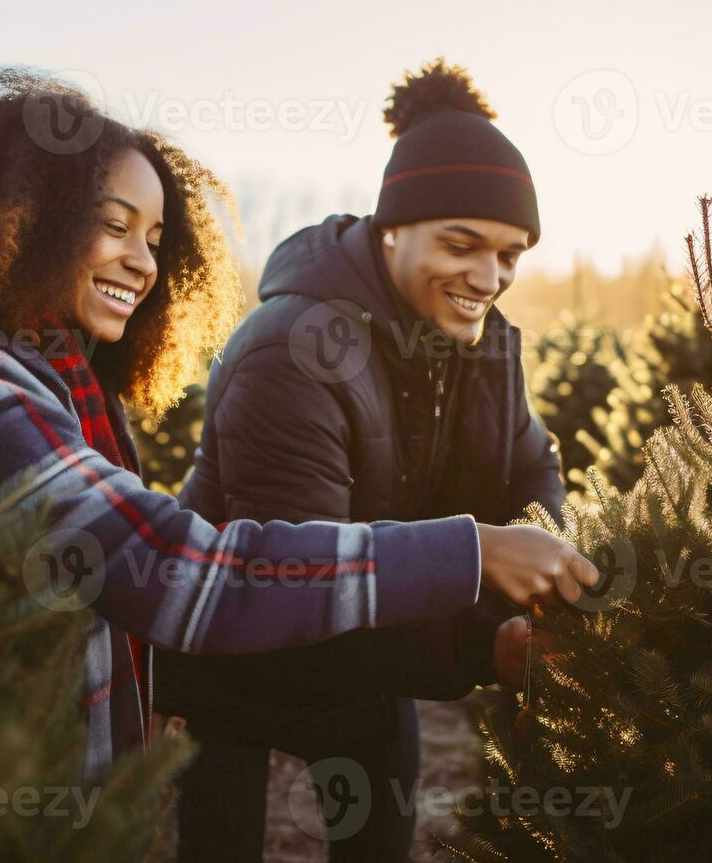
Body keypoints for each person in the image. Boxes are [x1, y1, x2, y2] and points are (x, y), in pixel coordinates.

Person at [0, 67, 597, 784]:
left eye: (156, 239)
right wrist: (468, 554)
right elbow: (175, 574)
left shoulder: (63, 382)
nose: (143, 262)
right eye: (114, 227)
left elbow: (530, 462)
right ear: (18, 222)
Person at [158, 60, 564, 860]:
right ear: (390, 230)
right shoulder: (291, 350)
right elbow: (303, 578)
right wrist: (487, 644)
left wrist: (551, 584)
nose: (489, 278)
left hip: (373, 661)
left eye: (510, 253)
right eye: (462, 244)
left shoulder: (487, 345)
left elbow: (530, 469)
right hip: (231, 660)